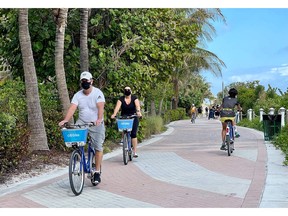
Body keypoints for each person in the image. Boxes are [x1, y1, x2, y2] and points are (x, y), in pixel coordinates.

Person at [59, 71, 105, 184]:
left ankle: (97, 171)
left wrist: (99, 119)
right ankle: (78, 159)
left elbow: (100, 107)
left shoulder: (98, 93)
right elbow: (72, 108)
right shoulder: (77, 95)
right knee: (76, 142)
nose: (85, 83)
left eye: (87, 81)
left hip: (95, 123)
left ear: (91, 81)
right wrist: (65, 120)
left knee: (98, 146)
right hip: (82, 122)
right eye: (83, 81)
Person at [111, 86, 142, 158]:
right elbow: (117, 107)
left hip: (133, 117)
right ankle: (123, 139)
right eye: (126, 90)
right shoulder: (121, 99)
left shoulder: (134, 98)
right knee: (123, 128)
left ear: (131, 91)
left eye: (128, 90)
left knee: (133, 134)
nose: (127, 91)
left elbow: (137, 106)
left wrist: (138, 113)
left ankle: (134, 152)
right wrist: (114, 114)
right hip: (124, 117)